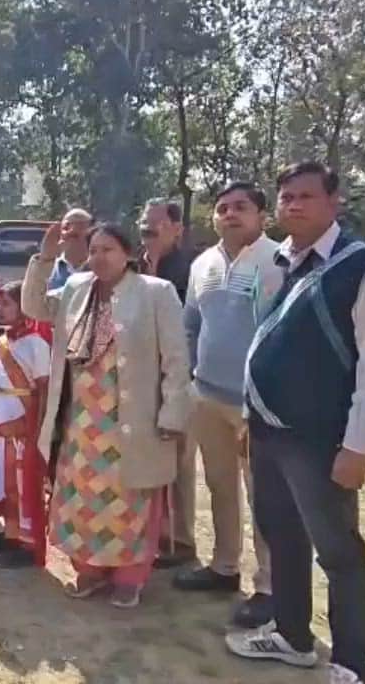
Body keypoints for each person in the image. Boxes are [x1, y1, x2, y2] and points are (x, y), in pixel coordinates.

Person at [226, 162, 365, 684]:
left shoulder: (363, 268)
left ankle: (350, 664)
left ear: (334, 202)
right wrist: (248, 418)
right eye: (285, 197)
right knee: (283, 538)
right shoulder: (287, 262)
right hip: (269, 434)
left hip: (321, 440)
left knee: (339, 553)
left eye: (304, 196)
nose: (292, 205)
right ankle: (292, 636)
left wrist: (359, 447)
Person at [22, 223, 190, 608]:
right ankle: (90, 571)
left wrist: (172, 413)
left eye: (108, 249)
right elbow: (34, 307)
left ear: (128, 254)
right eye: (93, 249)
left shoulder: (155, 293)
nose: (99, 257)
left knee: (130, 500)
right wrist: (44, 259)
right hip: (81, 421)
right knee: (82, 498)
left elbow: (177, 359)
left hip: (133, 420)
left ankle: (130, 578)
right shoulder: (76, 288)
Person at [173, 182, 281, 629]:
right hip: (208, 395)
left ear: (261, 215)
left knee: (264, 496)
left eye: (241, 207)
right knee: (219, 485)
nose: (230, 214)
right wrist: (191, 380)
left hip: (257, 404)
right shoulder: (203, 264)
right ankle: (223, 567)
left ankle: (272, 587)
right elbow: (190, 326)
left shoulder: (279, 260)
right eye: (222, 208)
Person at [138, 199, 199, 570]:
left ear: (177, 228)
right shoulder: (131, 266)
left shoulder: (191, 269)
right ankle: (148, 533)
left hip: (176, 378)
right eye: (144, 222)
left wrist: (158, 262)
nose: (149, 229)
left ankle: (179, 541)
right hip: (139, 380)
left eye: (157, 223)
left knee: (177, 462)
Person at [0, 281, 50, 570]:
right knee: (5, 481)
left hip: (23, 422)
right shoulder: (1, 342)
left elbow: (43, 388)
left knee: (23, 484)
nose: (1, 309)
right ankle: (10, 534)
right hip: (1, 420)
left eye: (7, 303)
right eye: (1, 303)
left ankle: (28, 542)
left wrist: (39, 426)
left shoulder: (36, 343)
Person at [47, 208, 95, 291]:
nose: (72, 230)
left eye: (80, 226)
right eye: (67, 227)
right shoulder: (48, 266)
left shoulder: (98, 267)